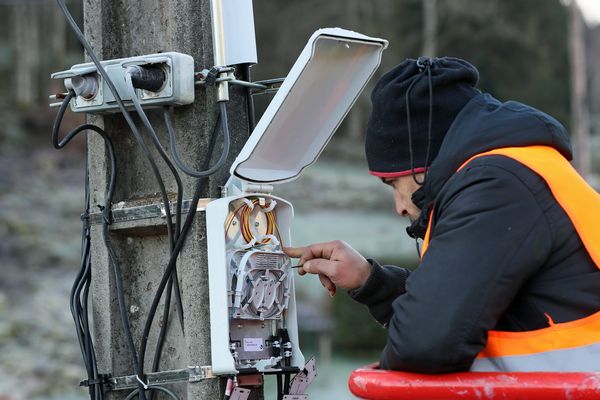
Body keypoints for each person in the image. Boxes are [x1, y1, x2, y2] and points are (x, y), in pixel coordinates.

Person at [284, 57, 600, 373]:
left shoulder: (496, 184)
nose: (400, 207)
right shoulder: (516, 170)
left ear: (424, 162)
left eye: (394, 182)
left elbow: (425, 343)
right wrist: (372, 281)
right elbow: (467, 310)